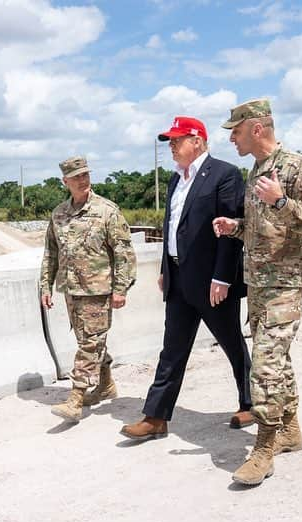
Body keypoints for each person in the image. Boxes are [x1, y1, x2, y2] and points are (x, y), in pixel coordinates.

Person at [214, 98, 302, 485]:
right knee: (278, 360)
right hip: (258, 283)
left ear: (256, 128)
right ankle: (291, 430)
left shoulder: (297, 167)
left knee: (264, 363)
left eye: (236, 131)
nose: (231, 138)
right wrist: (236, 225)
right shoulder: (256, 171)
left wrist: (279, 200)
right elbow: (263, 226)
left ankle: (264, 447)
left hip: (286, 282)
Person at [120, 116, 253, 441]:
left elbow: (231, 229)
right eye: (170, 141)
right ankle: (156, 417)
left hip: (212, 282)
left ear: (198, 140)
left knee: (232, 343)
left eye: (177, 140)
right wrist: (166, 270)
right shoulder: (174, 181)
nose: (172, 146)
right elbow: (171, 228)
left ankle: (251, 402)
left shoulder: (224, 174)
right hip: (179, 279)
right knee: (172, 349)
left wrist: (222, 277)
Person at [40, 156, 137, 423]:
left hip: (98, 290)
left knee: (89, 343)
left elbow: (124, 252)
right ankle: (105, 385)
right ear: (66, 181)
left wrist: (121, 289)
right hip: (71, 290)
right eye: (77, 177)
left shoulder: (107, 210)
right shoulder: (59, 214)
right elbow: (51, 253)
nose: (83, 180)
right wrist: (44, 287)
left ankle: (76, 397)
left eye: (86, 175)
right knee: (89, 342)